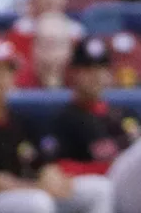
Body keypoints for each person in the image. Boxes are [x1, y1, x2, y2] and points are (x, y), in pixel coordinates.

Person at [0, 37, 113, 213]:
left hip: (22, 195)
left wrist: (51, 176)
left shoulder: (21, 121)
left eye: (7, 71)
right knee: (36, 203)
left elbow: (45, 162)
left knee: (99, 189)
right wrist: (35, 187)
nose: (1, 79)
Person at [52, 37, 141, 213]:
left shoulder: (125, 113)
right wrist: (107, 167)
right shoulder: (65, 118)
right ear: (74, 73)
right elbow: (59, 169)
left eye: (101, 68)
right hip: (101, 189)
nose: (96, 75)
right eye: (88, 69)